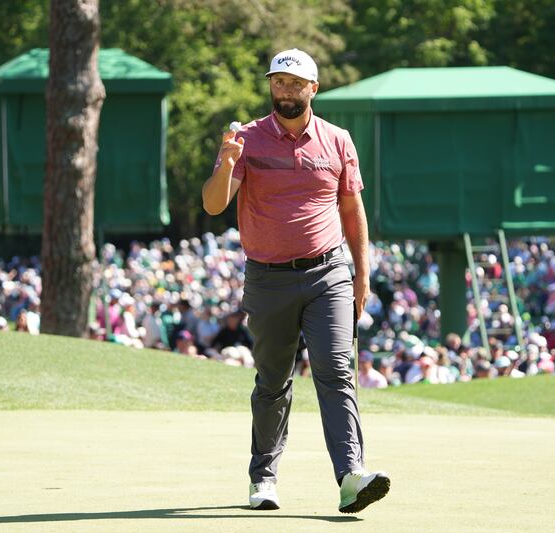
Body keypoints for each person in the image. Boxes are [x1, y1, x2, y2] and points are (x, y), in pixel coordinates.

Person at [202, 48, 389, 514]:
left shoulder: (338, 140)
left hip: (328, 273)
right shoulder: (245, 138)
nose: (285, 90)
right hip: (267, 279)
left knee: (336, 371)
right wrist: (225, 164)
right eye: (278, 82)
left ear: (313, 88)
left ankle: (350, 476)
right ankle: (263, 477)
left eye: (294, 82)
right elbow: (212, 205)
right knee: (273, 382)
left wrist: (361, 273)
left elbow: (352, 210)